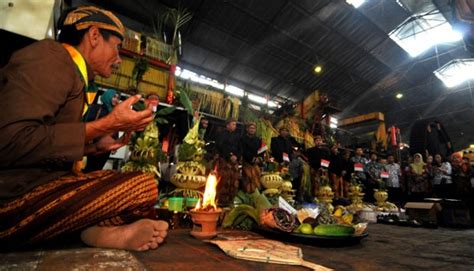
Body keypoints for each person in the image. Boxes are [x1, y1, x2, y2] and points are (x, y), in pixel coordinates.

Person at [0, 6, 168, 251]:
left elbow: (41, 142)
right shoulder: (50, 57)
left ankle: (89, 232)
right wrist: (107, 124)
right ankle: (85, 231)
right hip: (12, 199)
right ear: (94, 36)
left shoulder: (74, 74)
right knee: (142, 188)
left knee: (142, 187)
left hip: (39, 189)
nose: (119, 59)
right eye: (117, 47)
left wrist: (92, 147)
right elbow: (9, 141)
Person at [84, 89, 120, 172]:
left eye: (118, 98)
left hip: (106, 147)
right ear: (108, 96)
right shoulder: (95, 108)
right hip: (93, 144)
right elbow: (87, 124)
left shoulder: (114, 113)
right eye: (114, 97)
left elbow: (116, 129)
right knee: (89, 169)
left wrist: (115, 144)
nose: (116, 100)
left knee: (98, 169)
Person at [215, 118, 241, 206]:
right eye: (233, 124)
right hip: (224, 161)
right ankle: (220, 201)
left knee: (234, 181)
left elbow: (239, 148)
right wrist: (229, 156)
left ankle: (230, 200)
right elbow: (221, 146)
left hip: (234, 162)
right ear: (228, 125)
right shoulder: (222, 134)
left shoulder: (237, 136)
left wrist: (236, 156)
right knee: (223, 181)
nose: (235, 126)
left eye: (235, 124)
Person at [240, 122, 263, 193]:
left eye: (254, 128)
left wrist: (259, 158)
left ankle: (256, 195)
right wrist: (251, 158)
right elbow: (242, 150)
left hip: (256, 163)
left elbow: (261, 150)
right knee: (247, 178)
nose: (252, 130)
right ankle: (247, 194)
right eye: (251, 128)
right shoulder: (242, 139)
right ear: (247, 129)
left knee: (256, 178)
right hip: (247, 162)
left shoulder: (258, 140)